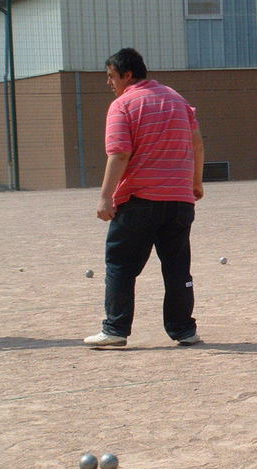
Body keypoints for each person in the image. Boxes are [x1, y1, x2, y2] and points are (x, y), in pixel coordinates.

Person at [84, 48, 204, 348]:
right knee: (177, 267)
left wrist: (105, 197)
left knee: (121, 265)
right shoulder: (177, 99)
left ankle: (115, 329)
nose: (109, 83)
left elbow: (120, 153)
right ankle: (184, 330)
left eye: (111, 76)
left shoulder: (123, 105)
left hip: (139, 199)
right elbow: (197, 144)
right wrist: (195, 182)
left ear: (127, 75)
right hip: (179, 200)